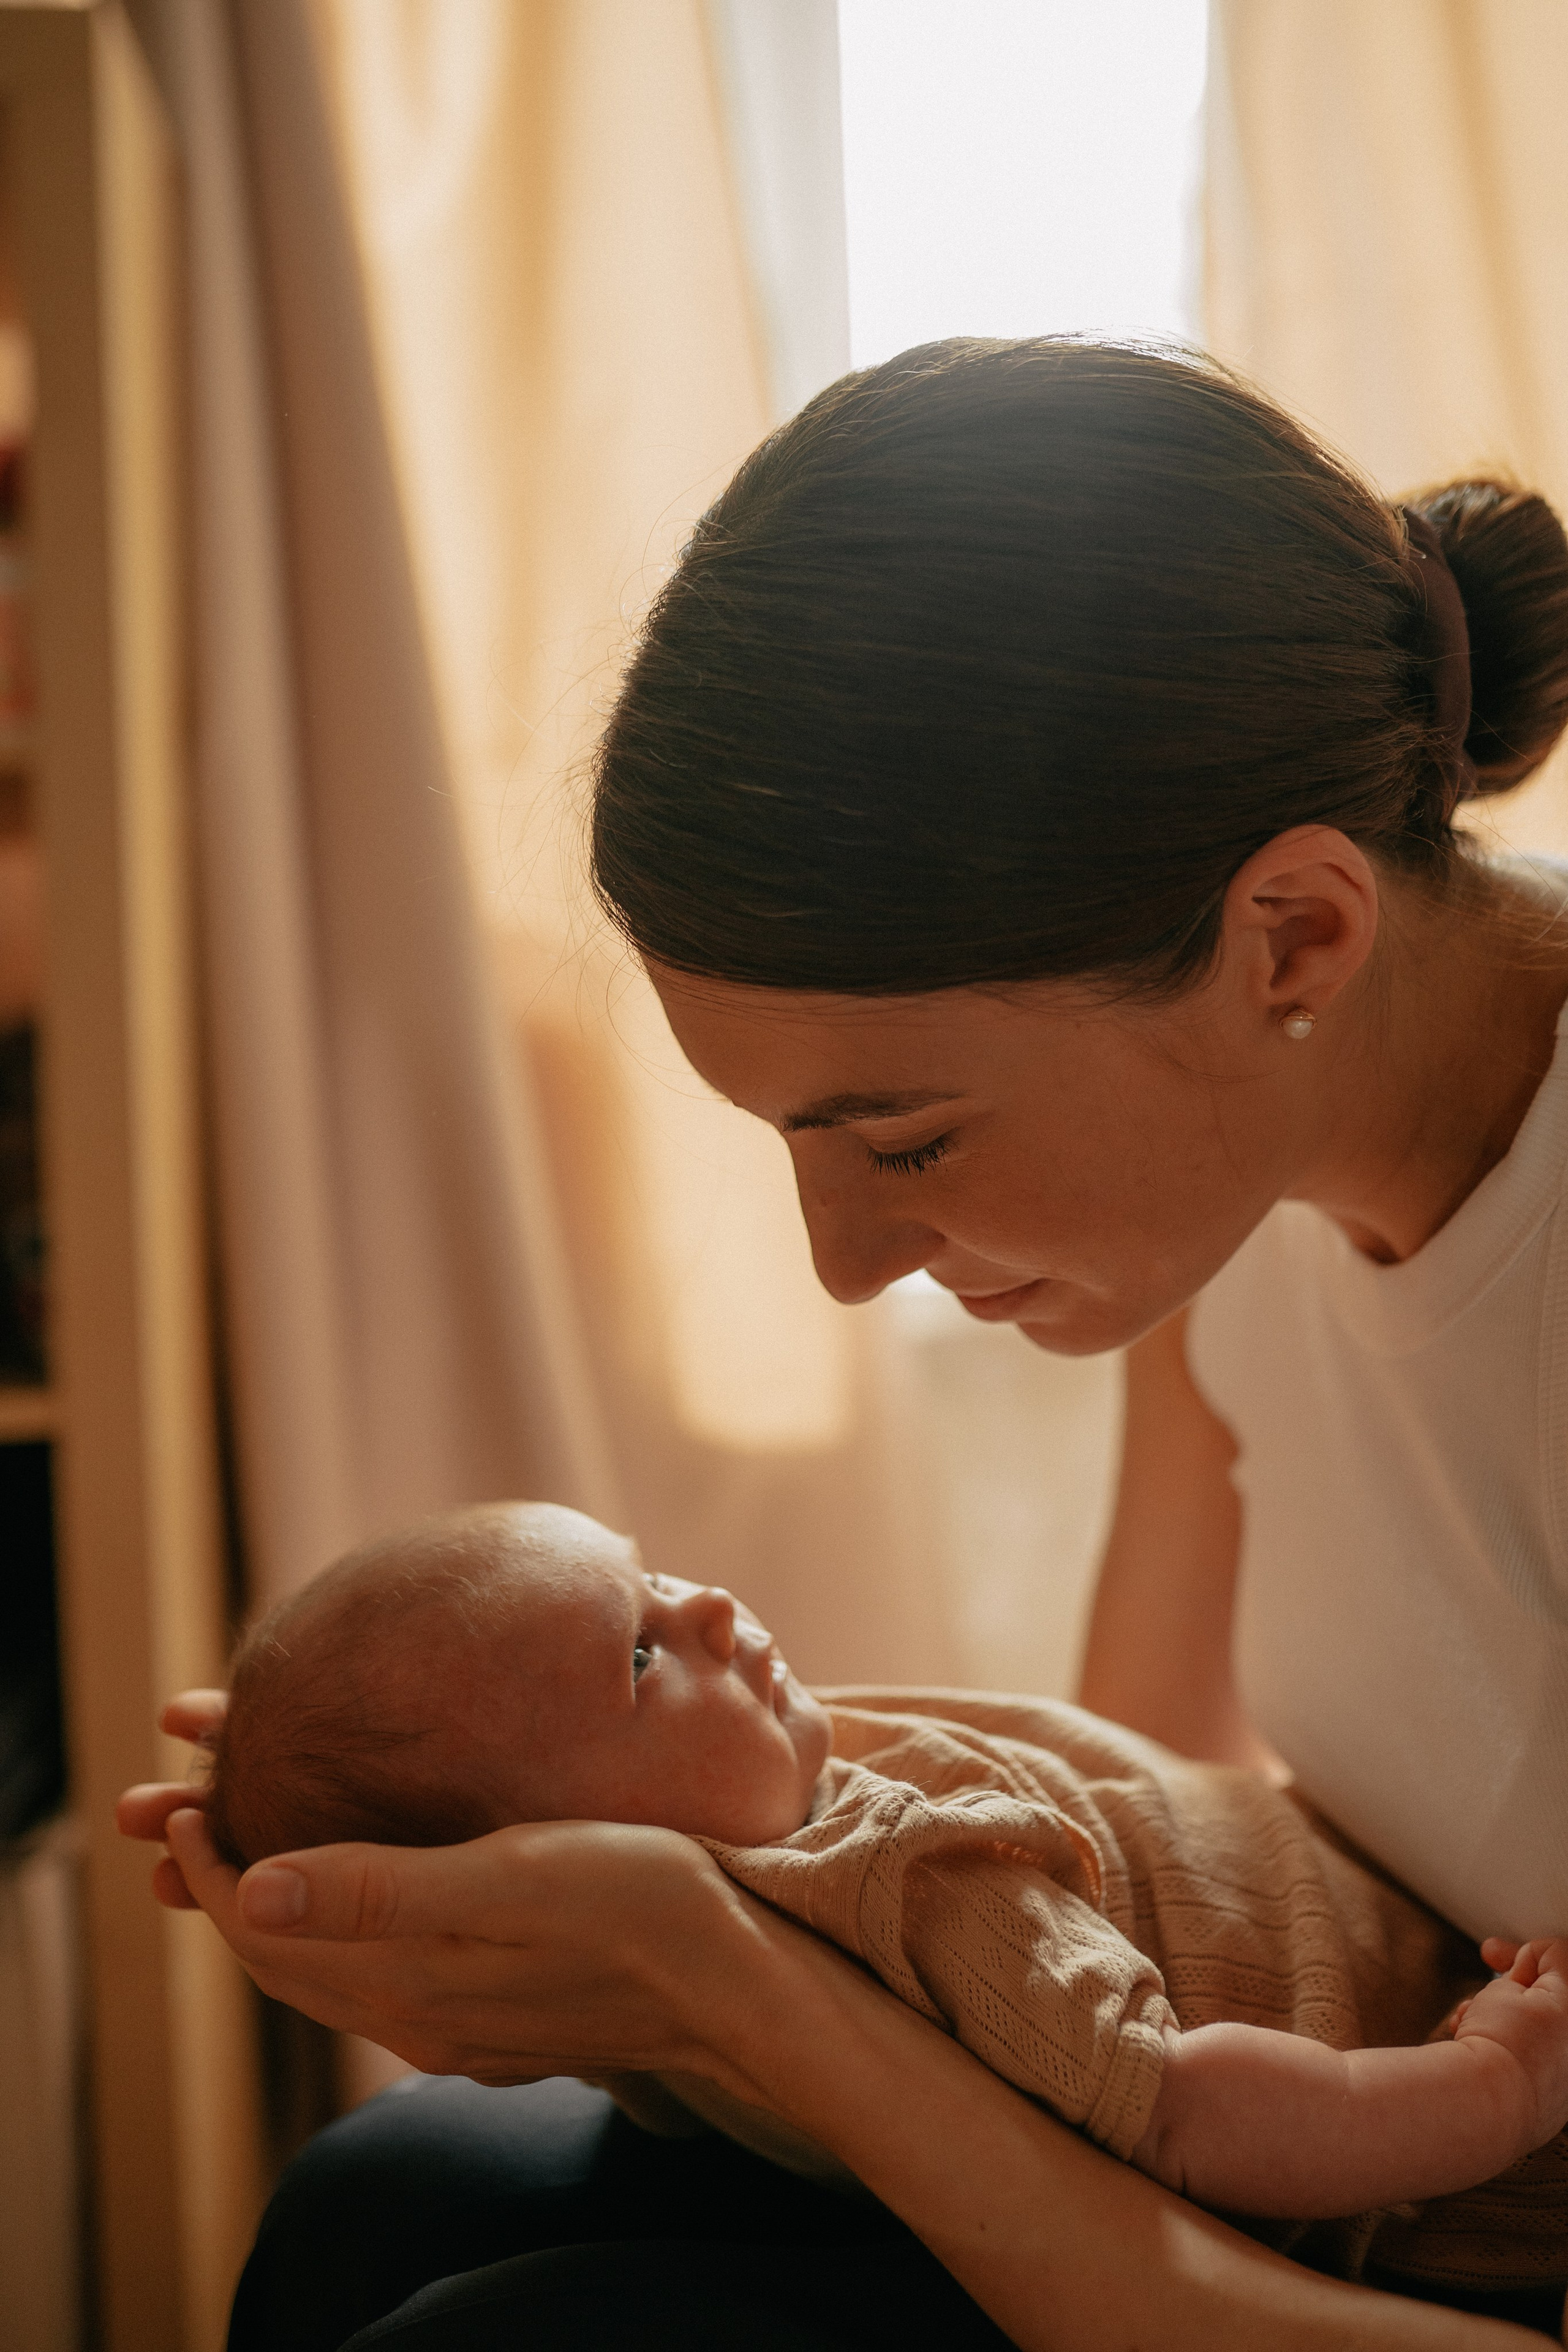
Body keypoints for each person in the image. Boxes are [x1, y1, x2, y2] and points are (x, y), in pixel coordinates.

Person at [121, 339, 1568, 2350]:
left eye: (908, 1143)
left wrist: (735, 1985)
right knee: (389, 2190)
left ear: (1294, 938)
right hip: (1324, 2126)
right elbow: (1136, 1796)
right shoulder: (1253, 1174)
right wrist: (511, 1777)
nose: (844, 1263)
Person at [203, 1497, 1568, 2274]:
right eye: (638, 1658)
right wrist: (1494, 2090)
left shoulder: (646, 1951)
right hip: (1448, 2141)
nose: (710, 1609)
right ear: (559, 1853)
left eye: (652, 1576)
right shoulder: (899, 1894)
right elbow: (1185, 2115)